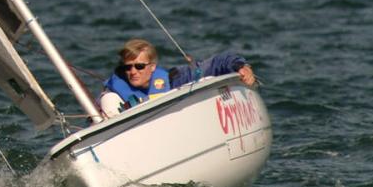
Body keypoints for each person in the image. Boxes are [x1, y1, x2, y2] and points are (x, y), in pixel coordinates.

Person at [98, 37, 256, 117]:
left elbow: (214, 63)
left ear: (152, 67)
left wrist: (241, 66)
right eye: (128, 67)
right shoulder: (113, 92)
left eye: (139, 66)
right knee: (108, 100)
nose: (133, 72)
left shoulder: (173, 79)